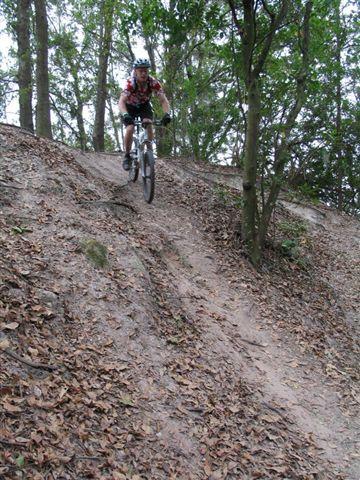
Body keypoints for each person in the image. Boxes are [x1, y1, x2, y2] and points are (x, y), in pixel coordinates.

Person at [119, 58, 171, 171]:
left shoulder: (153, 82)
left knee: (148, 125)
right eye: (140, 71)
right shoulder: (130, 83)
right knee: (130, 128)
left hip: (144, 106)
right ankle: (127, 156)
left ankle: (149, 153)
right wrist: (125, 115)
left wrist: (167, 114)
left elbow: (163, 100)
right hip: (129, 107)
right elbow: (121, 101)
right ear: (135, 71)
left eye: (145, 71)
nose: (143, 73)